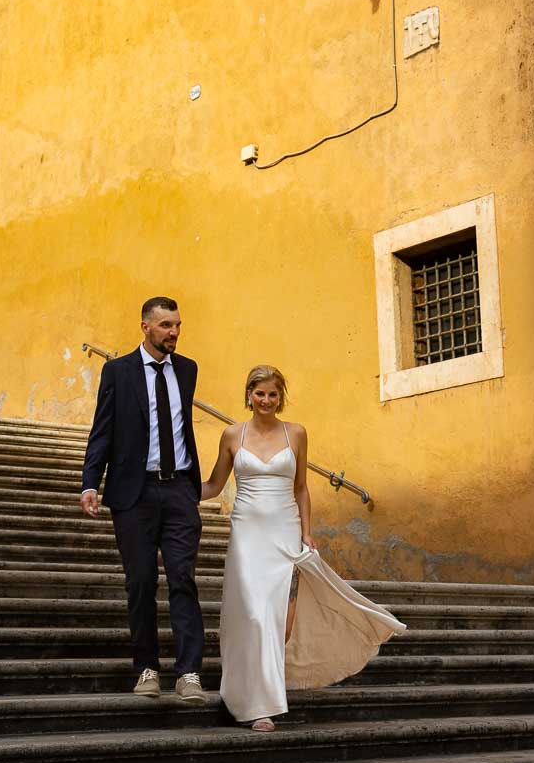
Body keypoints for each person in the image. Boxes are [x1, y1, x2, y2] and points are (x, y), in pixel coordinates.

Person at [202, 364, 406, 731]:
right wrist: (173, 490)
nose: (266, 400)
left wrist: (307, 532)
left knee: (279, 621)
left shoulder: (296, 434)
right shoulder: (232, 435)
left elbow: (301, 488)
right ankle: (254, 704)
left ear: (282, 397)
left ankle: (256, 692)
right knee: (251, 615)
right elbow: (214, 485)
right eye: (259, 393)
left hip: (285, 530)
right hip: (247, 533)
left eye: (273, 394)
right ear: (248, 394)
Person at [80, 296, 205, 703]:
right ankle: (147, 668)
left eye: (178, 325)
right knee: (141, 582)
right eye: (166, 325)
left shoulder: (187, 370)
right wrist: (89, 483)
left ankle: (189, 673)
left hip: (179, 489)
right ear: (145, 327)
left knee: (183, 579)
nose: (174, 332)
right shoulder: (117, 372)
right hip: (133, 493)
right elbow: (102, 429)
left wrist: (190, 486)